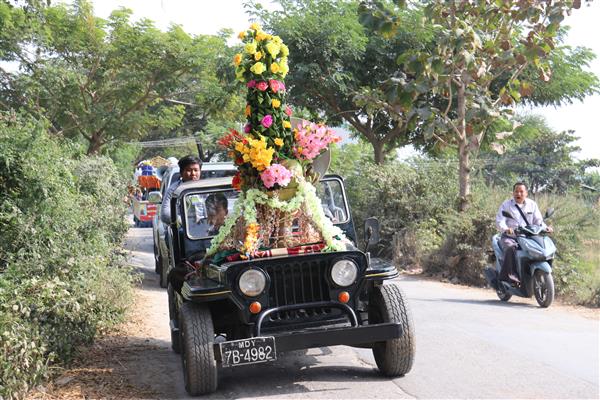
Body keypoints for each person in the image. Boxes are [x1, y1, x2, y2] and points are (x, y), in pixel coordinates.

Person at [495, 182, 553, 284]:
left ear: (526, 193)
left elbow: (538, 221)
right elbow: (500, 221)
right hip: (511, 236)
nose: (519, 194)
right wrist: (506, 228)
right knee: (510, 247)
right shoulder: (506, 205)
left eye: (521, 191)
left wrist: (546, 228)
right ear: (513, 193)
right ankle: (511, 277)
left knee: (543, 247)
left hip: (529, 237)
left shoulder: (532, 204)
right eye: (516, 191)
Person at [160, 155, 202, 224]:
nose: (193, 174)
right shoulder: (174, 190)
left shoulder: (206, 187)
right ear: (181, 173)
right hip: (182, 229)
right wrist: (184, 221)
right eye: (189, 170)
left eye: (196, 170)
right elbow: (165, 214)